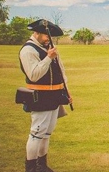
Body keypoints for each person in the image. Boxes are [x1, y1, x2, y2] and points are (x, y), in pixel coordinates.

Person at [19, 19, 72, 172]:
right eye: (46, 35)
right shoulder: (28, 50)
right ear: (37, 33)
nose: (49, 38)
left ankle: (42, 165)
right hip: (40, 96)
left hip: (55, 95)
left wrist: (67, 92)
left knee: (47, 132)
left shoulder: (49, 48)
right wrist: (48, 58)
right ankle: (31, 167)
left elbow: (61, 72)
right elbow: (34, 74)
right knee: (37, 133)